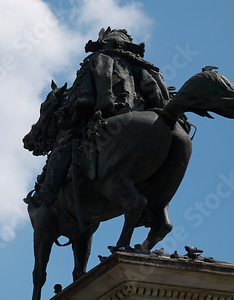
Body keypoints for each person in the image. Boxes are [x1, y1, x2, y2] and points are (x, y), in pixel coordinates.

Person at [28, 28, 171, 206]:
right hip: (140, 113)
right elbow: (154, 90)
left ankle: (47, 198)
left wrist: (69, 120)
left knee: (63, 149)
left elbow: (84, 102)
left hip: (107, 115)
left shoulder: (96, 60)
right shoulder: (141, 66)